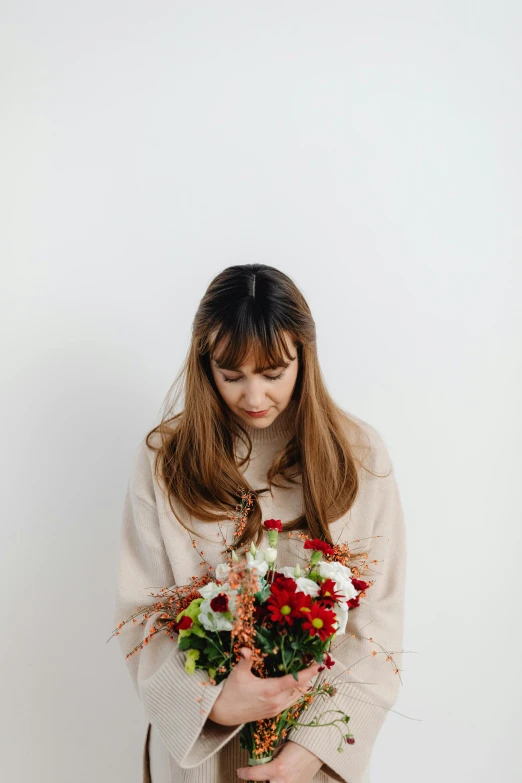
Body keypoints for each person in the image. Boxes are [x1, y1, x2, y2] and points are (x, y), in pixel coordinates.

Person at [113, 263, 407, 783]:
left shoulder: (356, 455)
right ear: (205, 365)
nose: (253, 398)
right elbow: (143, 615)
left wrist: (310, 751)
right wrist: (216, 702)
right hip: (200, 752)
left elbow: (377, 627)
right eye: (232, 375)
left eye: (273, 374)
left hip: (314, 755)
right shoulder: (167, 458)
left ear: (304, 358)